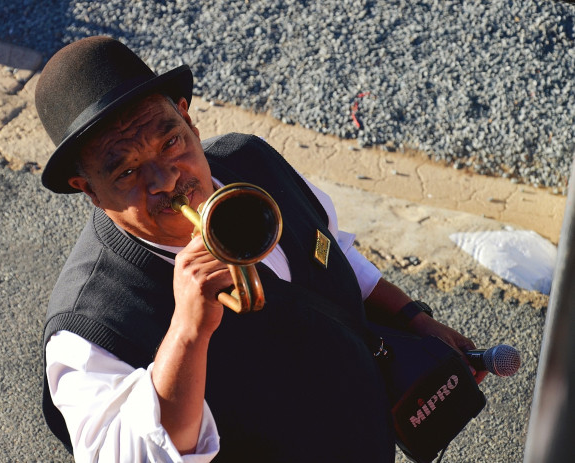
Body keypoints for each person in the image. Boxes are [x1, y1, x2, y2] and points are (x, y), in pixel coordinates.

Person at [35, 36, 485, 462]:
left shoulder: (252, 160)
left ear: (188, 119)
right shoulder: (86, 331)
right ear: (88, 190)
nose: (166, 180)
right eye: (127, 172)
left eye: (170, 142)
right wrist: (188, 332)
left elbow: (329, 249)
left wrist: (414, 318)